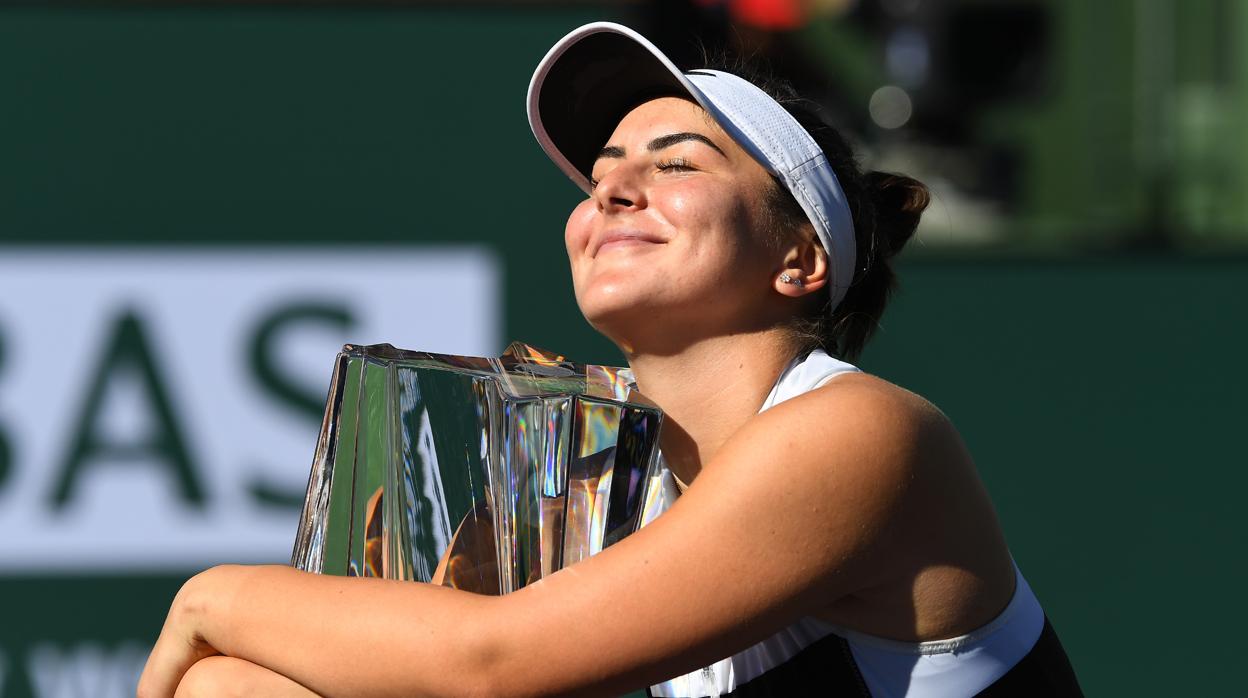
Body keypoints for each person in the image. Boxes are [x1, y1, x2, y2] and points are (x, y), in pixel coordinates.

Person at [139, 22, 1082, 697]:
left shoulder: (860, 431)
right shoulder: (590, 486)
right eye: (600, 177)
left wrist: (206, 598)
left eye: (676, 164)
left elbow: (492, 665)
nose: (616, 189)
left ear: (800, 260)